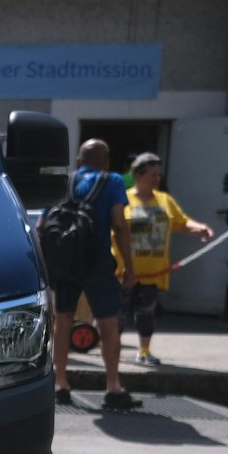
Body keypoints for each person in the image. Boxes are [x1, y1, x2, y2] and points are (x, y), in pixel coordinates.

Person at [51, 138, 140, 410]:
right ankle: (113, 387)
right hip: (98, 263)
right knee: (107, 323)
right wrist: (130, 267)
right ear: (107, 160)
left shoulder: (64, 182)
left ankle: (60, 384)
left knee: (62, 321)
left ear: (79, 161)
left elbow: (45, 223)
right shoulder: (112, 181)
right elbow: (119, 225)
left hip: (65, 263)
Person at [117, 152, 214, 366]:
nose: (157, 179)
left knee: (147, 313)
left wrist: (201, 228)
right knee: (118, 313)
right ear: (139, 175)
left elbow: (181, 222)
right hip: (125, 270)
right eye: (152, 174)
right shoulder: (124, 199)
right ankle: (111, 350)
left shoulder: (164, 200)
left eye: (158, 174)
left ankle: (144, 351)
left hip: (153, 271)